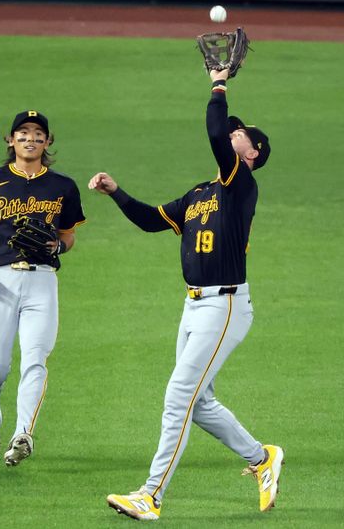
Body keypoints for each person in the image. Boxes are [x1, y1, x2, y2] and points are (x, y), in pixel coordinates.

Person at [89, 68, 283, 520]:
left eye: (242, 134)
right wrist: (117, 193)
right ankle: (261, 458)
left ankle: (151, 494)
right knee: (198, 402)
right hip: (194, 306)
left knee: (179, 394)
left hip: (226, 305)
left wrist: (219, 84)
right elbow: (153, 219)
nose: (233, 133)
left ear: (252, 153)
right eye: (235, 129)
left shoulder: (240, 185)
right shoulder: (200, 194)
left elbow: (216, 130)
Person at [0, 110, 86, 466]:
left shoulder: (63, 186)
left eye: (38, 133)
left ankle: (23, 432)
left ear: (48, 141)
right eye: (23, 133)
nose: (31, 138)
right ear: (10, 141)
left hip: (42, 281)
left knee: (35, 360)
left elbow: (68, 236)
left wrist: (58, 247)